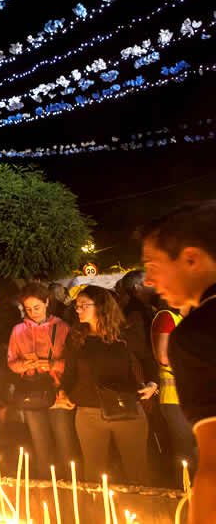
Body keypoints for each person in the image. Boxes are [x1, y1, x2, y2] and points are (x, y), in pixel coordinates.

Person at [139, 201, 216, 521]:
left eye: (153, 265)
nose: (147, 281)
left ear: (191, 259)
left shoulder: (197, 334)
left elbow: (213, 467)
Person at [59, 286, 156, 483]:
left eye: (83, 305)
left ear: (101, 307)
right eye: (77, 306)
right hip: (88, 413)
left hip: (126, 408)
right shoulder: (77, 337)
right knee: (94, 473)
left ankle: (138, 510)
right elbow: (69, 372)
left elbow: (148, 360)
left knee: (136, 470)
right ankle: (98, 512)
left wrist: (153, 384)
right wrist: (62, 391)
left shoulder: (125, 336)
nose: (78, 310)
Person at [7, 282, 76, 479]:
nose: (33, 312)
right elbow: (11, 362)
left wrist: (52, 364)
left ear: (47, 302)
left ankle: (69, 486)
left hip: (58, 392)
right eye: (28, 309)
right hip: (32, 392)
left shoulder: (62, 328)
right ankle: (47, 486)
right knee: (40, 444)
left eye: (37, 307)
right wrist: (25, 365)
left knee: (65, 444)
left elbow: (73, 363)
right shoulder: (18, 330)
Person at [151, 303, 197, 482]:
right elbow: (163, 357)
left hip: (192, 396)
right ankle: (184, 495)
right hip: (175, 398)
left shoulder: (188, 319)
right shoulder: (167, 317)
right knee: (185, 452)